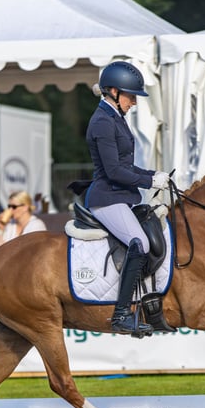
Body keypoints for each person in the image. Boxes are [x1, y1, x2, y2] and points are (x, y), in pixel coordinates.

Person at [84, 60, 171, 335]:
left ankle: (152, 308)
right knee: (139, 242)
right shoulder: (101, 121)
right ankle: (121, 315)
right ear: (112, 91)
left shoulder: (115, 118)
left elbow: (127, 165)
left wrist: (155, 175)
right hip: (106, 198)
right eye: (130, 96)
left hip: (121, 196)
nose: (134, 102)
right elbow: (114, 170)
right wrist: (148, 181)